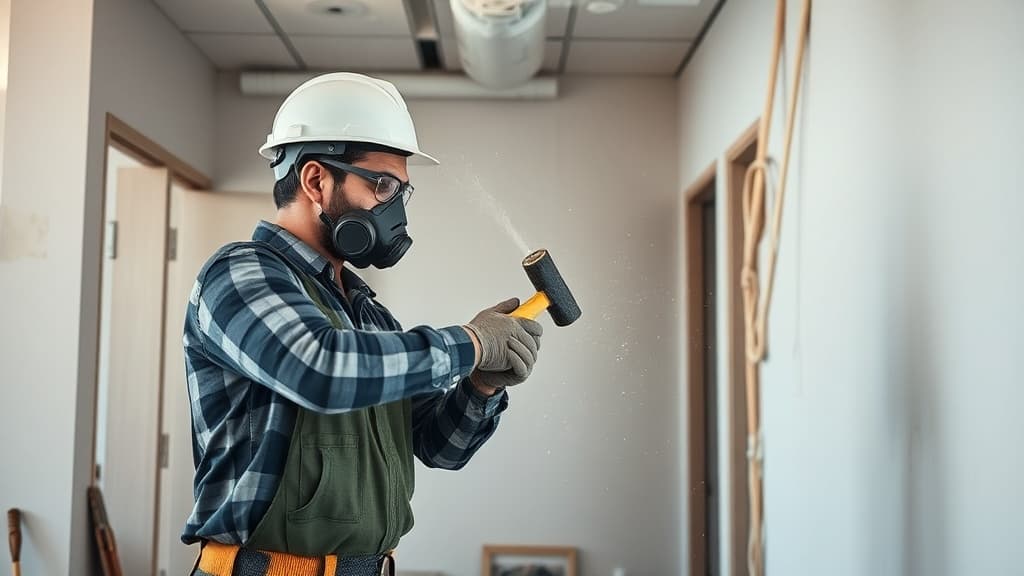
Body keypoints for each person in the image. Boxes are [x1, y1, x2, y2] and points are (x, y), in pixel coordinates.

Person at [182, 72, 543, 576]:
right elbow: (320, 369)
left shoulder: (368, 314)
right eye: (382, 185)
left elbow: (440, 448)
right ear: (315, 180)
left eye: (401, 192)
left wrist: (480, 387)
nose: (393, 208)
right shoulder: (239, 273)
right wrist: (473, 343)